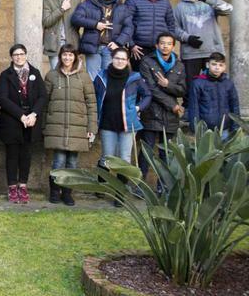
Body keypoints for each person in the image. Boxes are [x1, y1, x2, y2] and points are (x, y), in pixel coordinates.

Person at [93, 47, 152, 206]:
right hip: (107, 123)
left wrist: (139, 108)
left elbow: (147, 95)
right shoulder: (101, 76)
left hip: (127, 123)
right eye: (117, 58)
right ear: (112, 58)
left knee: (124, 159)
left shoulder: (135, 77)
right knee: (107, 157)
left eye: (123, 59)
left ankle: (120, 192)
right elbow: (93, 96)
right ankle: (100, 186)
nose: (120, 61)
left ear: (127, 61)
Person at [43, 44, 97, 206]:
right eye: (64, 55)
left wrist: (91, 128)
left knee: (72, 163)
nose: (67, 58)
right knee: (58, 161)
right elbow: (45, 102)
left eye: (70, 55)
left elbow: (92, 104)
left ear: (76, 57)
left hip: (77, 126)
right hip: (57, 126)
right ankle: (54, 191)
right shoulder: (52, 76)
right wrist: (44, 126)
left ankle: (67, 193)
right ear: (60, 57)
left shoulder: (84, 77)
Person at [0, 44, 47, 204]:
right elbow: (2, 98)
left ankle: (23, 186)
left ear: (26, 55)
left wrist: (33, 114)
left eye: (21, 54)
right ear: (11, 57)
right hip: (12, 120)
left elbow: (42, 96)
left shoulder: (35, 73)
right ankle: (12, 187)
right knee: (12, 155)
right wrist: (21, 116)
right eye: (15, 54)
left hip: (31, 120)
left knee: (26, 154)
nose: (19, 57)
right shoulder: (6, 75)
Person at [137, 32, 186, 186]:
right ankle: (140, 185)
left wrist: (168, 85)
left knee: (167, 153)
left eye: (169, 43)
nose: (165, 46)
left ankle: (163, 187)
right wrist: (172, 105)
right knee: (146, 152)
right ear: (157, 45)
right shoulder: (146, 62)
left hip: (170, 117)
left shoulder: (179, 65)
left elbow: (182, 90)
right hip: (151, 112)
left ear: (173, 46)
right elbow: (150, 89)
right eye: (162, 43)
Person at [173, 0, 232, 95]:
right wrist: (187, 38)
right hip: (190, 54)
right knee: (191, 88)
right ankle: (191, 113)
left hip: (212, 52)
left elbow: (228, 9)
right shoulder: (179, 7)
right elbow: (174, 28)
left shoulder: (211, 3)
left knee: (214, 88)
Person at [71, 0, 133, 80]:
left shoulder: (121, 6)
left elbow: (129, 27)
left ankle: (104, 98)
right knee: (93, 79)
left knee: (108, 78)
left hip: (111, 47)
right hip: (93, 47)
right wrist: (95, 24)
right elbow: (76, 19)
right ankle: (94, 98)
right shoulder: (88, 4)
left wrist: (118, 43)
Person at [125, 0, 191, 69]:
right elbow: (126, 23)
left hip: (160, 48)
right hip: (138, 48)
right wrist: (131, 44)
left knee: (159, 79)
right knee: (139, 79)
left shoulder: (164, 1)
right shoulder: (133, 0)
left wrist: (169, 43)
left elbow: (171, 24)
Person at [188, 52, 240, 139]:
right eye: (214, 64)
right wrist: (196, 128)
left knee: (224, 152)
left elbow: (234, 105)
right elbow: (194, 107)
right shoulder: (198, 83)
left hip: (225, 129)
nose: (217, 67)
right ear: (208, 65)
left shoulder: (228, 84)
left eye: (220, 65)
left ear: (224, 67)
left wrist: (235, 126)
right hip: (205, 129)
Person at [42, 0, 81, 69]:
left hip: (71, 42)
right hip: (54, 43)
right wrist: (62, 9)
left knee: (73, 73)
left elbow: (79, 20)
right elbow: (46, 21)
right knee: (56, 74)